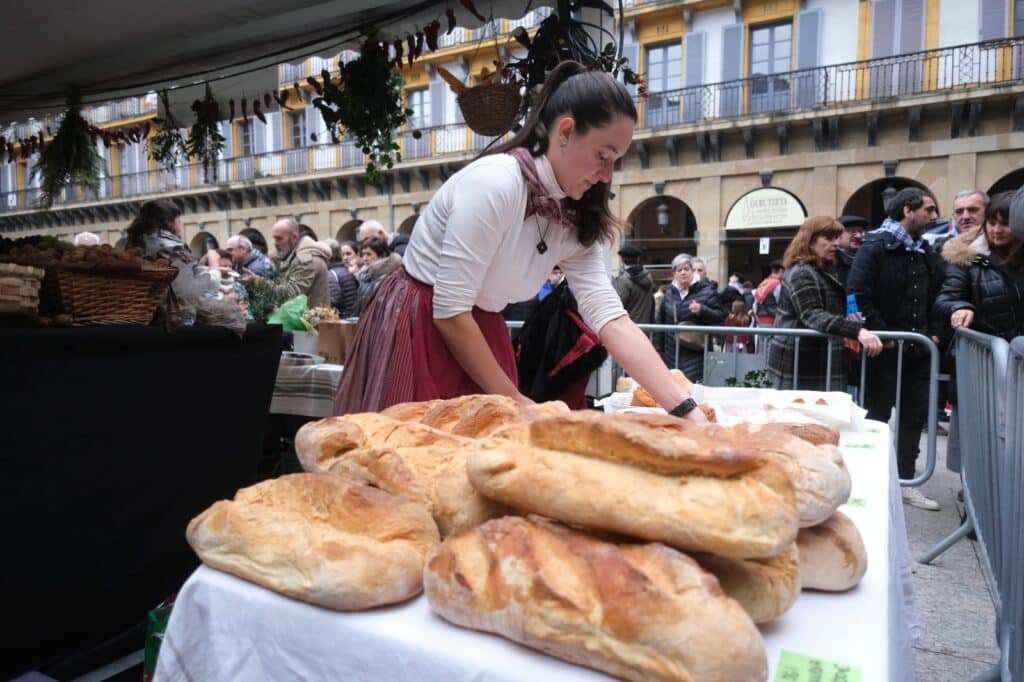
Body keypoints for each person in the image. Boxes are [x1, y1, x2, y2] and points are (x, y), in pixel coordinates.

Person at [333, 61, 705, 421]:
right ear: (565, 131)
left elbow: (612, 319)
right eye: (602, 155)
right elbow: (449, 310)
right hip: (422, 325)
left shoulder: (575, 216)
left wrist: (684, 409)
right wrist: (515, 400)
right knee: (413, 459)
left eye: (615, 161)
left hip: (479, 328)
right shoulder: (496, 183)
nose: (607, 173)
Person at [847, 187, 945, 510]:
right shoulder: (875, 246)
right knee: (877, 414)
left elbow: (937, 294)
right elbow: (858, 293)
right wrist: (885, 335)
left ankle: (904, 479)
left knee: (913, 417)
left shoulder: (926, 251)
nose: (934, 216)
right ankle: (868, 477)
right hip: (884, 351)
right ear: (907, 210)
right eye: (929, 210)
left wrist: (933, 333)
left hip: (918, 351)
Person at [933, 190, 1024, 476]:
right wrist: (960, 307)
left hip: (1017, 364)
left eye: (1004, 223)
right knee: (984, 444)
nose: (997, 230)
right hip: (986, 368)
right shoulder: (969, 258)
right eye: (993, 223)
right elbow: (945, 298)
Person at [765, 216, 882, 391]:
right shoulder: (802, 272)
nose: (835, 243)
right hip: (800, 360)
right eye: (828, 238)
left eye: (836, 238)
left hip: (813, 358)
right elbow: (813, 314)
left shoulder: (816, 270)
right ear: (810, 242)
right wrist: (857, 331)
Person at [124, 199, 244, 333]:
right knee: (235, 316)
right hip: (171, 318)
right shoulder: (171, 247)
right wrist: (214, 265)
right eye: (178, 220)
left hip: (141, 312)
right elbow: (193, 291)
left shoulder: (134, 243)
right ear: (169, 221)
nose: (180, 225)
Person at [653, 253, 726, 382]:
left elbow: (720, 316)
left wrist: (702, 310)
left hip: (696, 352)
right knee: (673, 386)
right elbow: (661, 320)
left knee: (692, 387)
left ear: (692, 271)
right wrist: (658, 349)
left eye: (686, 269)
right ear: (674, 273)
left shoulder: (707, 291)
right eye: (679, 270)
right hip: (671, 351)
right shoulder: (669, 292)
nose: (683, 273)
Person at [242, 218, 331, 309]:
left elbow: (289, 295)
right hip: (303, 319)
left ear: (294, 237)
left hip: (311, 321)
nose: (275, 243)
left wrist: (257, 281)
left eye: (279, 239)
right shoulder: (292, 257)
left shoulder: (307, 260)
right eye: (274, 239)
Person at [352, 237, 401, 315]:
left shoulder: (389, 278)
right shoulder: (366, 276)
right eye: (363, 254)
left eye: (369, 254)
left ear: (382, 254)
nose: (364, 258)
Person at [612, 244, 654, 324]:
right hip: (647, 327)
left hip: (630, 328)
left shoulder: (624, 280)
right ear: (638, 259)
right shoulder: (648, 276)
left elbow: (619, 305)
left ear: (622, 260)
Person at [832, 215, 868, 288]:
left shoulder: (867, 259)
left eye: (860, 232)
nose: (858, 236)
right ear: (838, 235)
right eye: (853, 231)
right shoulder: (830, 261)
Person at [326, 240, 359, 317]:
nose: (345, 258)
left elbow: (335, 298)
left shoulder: (361, 272)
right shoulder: (346, 270)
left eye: (348, 254)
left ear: (357, 254)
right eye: (342, 254)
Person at [753, 260, 784, 328]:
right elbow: (782, 305)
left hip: (761, 323)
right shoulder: (778, 285)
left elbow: (755, 305)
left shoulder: (762, 283)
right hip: (774, 323)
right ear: (781, 271)